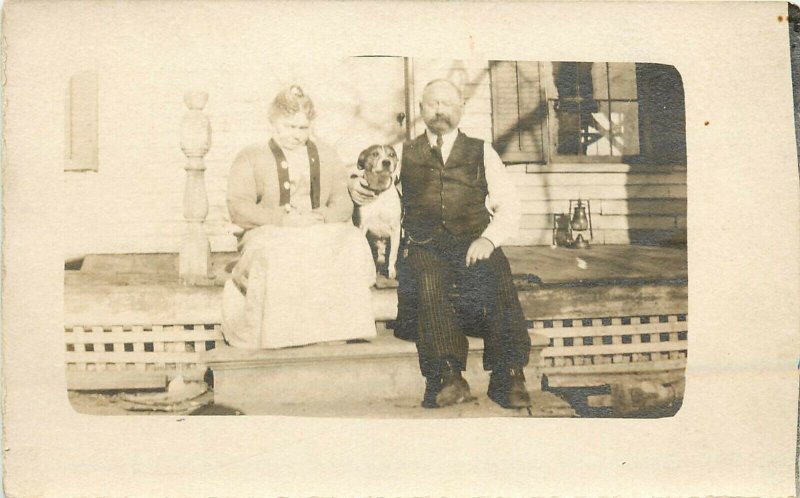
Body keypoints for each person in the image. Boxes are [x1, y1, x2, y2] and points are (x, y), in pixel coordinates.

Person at [350, 79, 532, 409]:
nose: (439, 110)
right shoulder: (404, 152)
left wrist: (489, 239)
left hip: (472, 243)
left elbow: (510, 204)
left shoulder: (481, 150)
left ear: (461, 109)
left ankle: (509, 375)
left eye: (447, 103)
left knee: (498, 269)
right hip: (424, 245)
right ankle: (448, 376)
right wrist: (356, 186)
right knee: (428, 276)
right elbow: (375, 180)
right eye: (432, 104)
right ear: (421, 111)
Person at [223, 85, 376, 349]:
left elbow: (342, 202)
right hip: (269, 229)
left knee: (350, 241)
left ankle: (336, 330)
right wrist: (282, 220)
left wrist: (321, 215)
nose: (296, 135)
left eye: (302, 128)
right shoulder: (251, 156)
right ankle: (285, 334)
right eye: (289, 127)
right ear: (272, 124)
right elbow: (238, 207)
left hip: (316, 226)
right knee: (279, 251)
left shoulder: (326, 154)